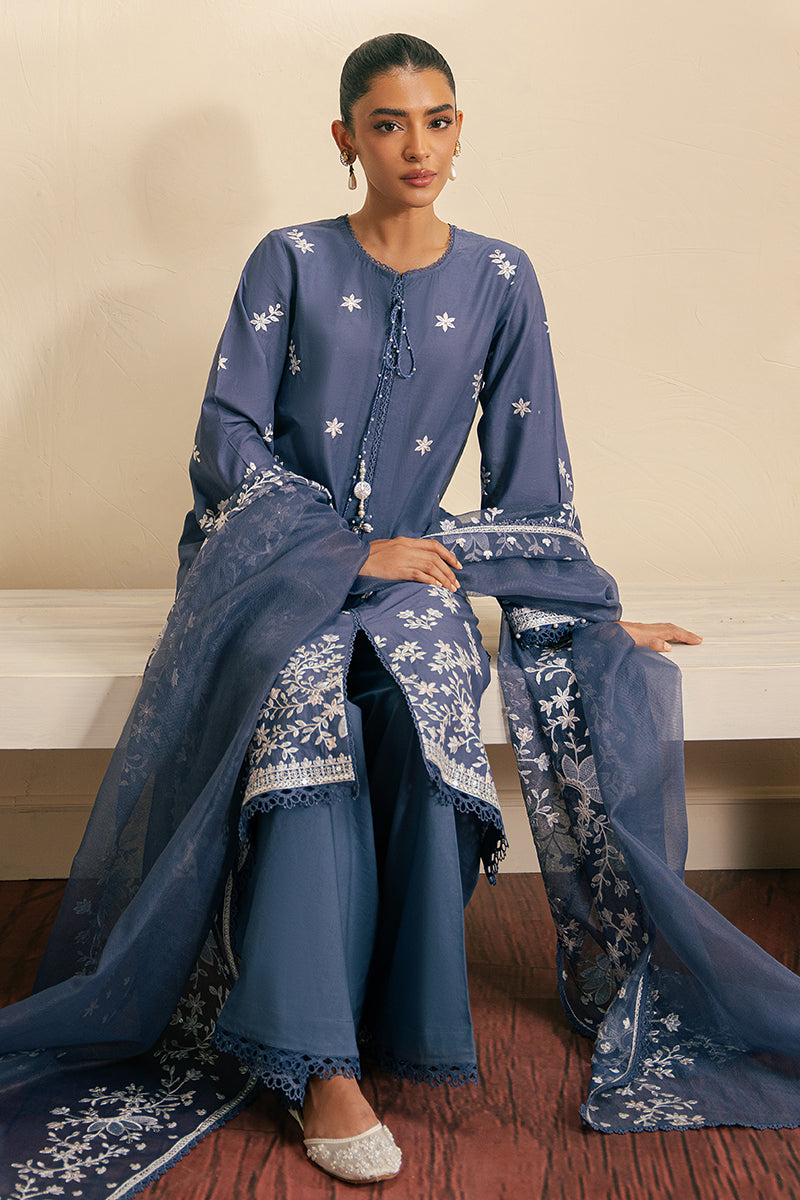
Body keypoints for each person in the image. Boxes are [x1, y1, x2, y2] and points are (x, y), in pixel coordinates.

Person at [1, 32, 799, 1199]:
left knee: (424, 689)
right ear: (346, 138)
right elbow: (227, 437)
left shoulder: (500, 279)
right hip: (274, 567)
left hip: (415, 579)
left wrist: (581, 609)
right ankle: (315, 1062)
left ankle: (376, 1010)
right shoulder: (286, 259)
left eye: (436, 120)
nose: (414, 146)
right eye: (386, 123)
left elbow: (530, 479)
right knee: (306, 697)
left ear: (459, 130)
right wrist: (342, 550)